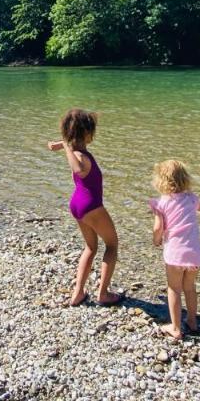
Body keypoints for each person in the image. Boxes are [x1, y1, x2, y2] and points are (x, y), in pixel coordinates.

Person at [46, 108, 121, 308]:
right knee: (112, 244)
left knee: (91, 247)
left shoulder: (79, 153)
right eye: (92, 130)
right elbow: (78, 169)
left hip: (78, 205)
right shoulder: (81, 157)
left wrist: (65, 146)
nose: (93, 134)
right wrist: (64, 146)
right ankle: (103, 294)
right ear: (86, 133)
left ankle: (78, 292)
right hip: (91, 206)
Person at [149, 160, 200, 339]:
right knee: (190, 287)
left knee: (174, 288)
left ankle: (176, 328)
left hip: (175, 254)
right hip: (194, 253)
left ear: (161, 181)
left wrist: (156, 240)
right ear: (185, 179)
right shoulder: (191, 198)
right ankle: (192, 321)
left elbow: (158, 228)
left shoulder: (161, 203)